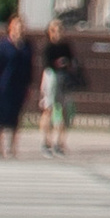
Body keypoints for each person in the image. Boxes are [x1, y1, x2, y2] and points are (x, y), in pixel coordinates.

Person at [0, 13, 33, 160]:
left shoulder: (27, 46)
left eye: (21, 25)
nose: (20, 28)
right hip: (3, 86)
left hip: (19, 86)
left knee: (15, 118)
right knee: (0, 117)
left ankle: (11, 148)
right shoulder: (3, 45)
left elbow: (29, 67)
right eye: (17, 25)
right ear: (10, 27)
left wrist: (29, 84)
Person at [38, 19, 77, 154]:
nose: (58, 33)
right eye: (54, 31)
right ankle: (46, 141)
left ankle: (60, 142)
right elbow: (46, 64)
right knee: (48, 109)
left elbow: (72, 61)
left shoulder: (66, 46)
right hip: (51, 77)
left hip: (63, 78)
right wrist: (57, 63)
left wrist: (67, 64)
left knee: (64, 110)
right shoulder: (47, 47)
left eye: (60, 30)